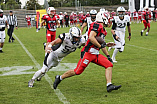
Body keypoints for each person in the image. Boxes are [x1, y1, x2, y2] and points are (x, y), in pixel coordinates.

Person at [53, 12, 121, 92]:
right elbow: (91, 38)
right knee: (77, 71)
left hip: (95, 54)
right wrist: (101, 46)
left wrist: (108, 55)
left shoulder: (103, 30)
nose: (109, 20)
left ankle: (109, 85)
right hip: (88, 53)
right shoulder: (97, 25)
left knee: (109, 65)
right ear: (103, 18)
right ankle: (60, 78)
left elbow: (100, 44)